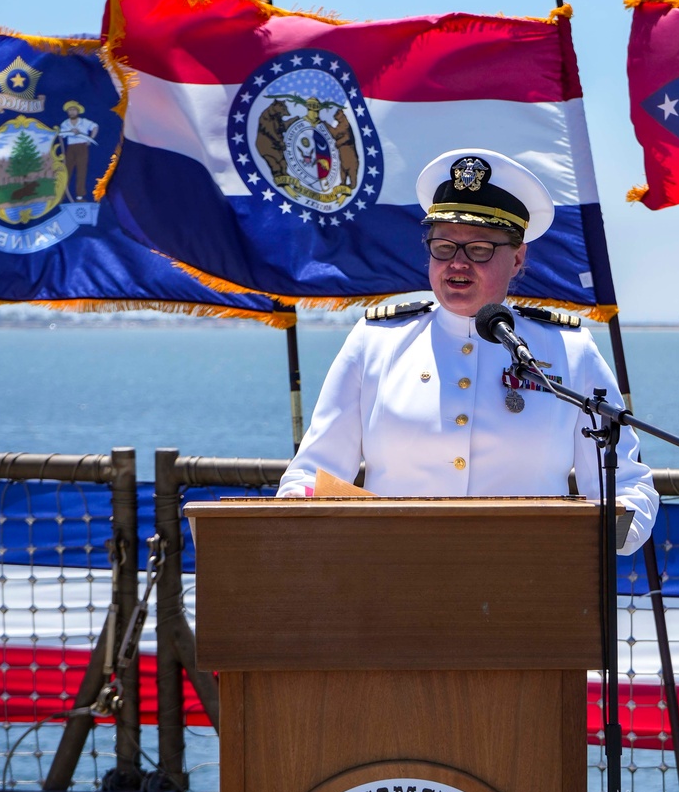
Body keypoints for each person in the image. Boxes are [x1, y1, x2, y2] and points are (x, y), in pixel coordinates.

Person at [277, 149, 657, 553]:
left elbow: (630, 487)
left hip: (532, 588)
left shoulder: (569, 350)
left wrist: (602, 540)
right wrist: (298, 522)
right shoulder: (376, 341)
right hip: (390, 584)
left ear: (518, 258)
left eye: (479, 249)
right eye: (443, 247)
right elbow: (310, 476)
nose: (457, 264)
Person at [59, 101, 99, 201]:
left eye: (73, 110)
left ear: (78, 111)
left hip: (82, 147)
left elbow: (95, 126)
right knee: (67, 171)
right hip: (70, 148)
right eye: (70, 110)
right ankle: (62, 194)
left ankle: (79, 196)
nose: (72, 112)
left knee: (81, 171)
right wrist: (69, 132)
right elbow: (61, 135)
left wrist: (90, 138)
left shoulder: (84, 121)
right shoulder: (65, 123)